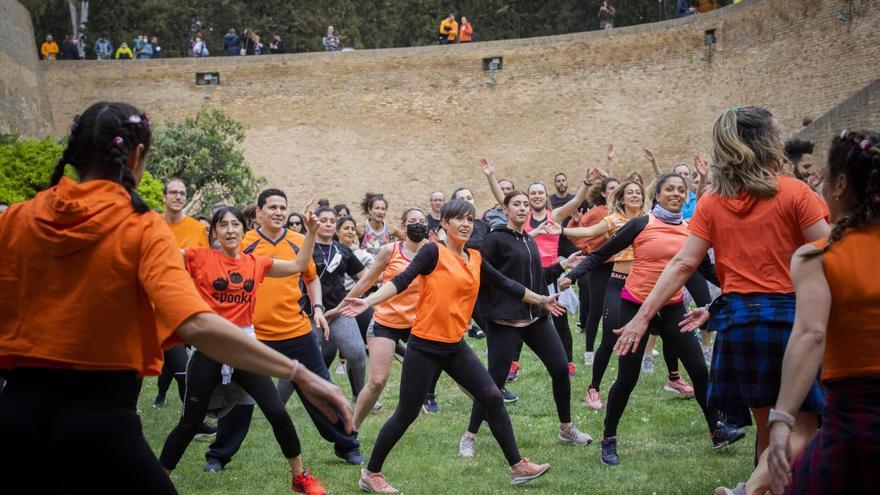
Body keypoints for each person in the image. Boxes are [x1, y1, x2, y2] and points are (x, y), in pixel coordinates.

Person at [0, 101, 351, 493]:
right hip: (103, 417)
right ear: (136, 156)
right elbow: (196, 323)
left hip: (17, 413)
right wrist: (301, 373)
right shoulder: (141, 229)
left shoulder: (15, 219)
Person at [611, 107, 830, 495]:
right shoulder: (796, 193)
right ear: (768, 143)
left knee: (769, 429)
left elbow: (682, 263)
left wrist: (642, 318)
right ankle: (747, 491)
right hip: (791, 321)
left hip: (739, 323)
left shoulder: (713, 201)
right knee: (804, 428)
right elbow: (832, 254)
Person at [342, 200, 556, 493]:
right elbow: (402, 280)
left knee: (492, 396)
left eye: (470, 219)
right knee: (407, 412)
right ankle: (371, 473)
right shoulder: (433, 252)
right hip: (425, 345)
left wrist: (542, 299)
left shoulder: (475, 258)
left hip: (455, 345)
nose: (466, 224)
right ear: (444, 223)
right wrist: (368, 300)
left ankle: (517, 466)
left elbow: (507, 284)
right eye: (459, 219)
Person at [559, 173, 746, 465]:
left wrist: (741, 281)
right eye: (669, 189)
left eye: (681, 190)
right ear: (657, 195)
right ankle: (609, 439)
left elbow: (709, 270)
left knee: (699, 370)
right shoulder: (641, 224)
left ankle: (716, 430)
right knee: (627, 377)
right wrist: (572, 275)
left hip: (672, 308)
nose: (675, 194)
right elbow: (600, 254)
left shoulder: (690, 229)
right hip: (635, 308)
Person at [159, 206, 330, 494]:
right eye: (222, 225)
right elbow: (161, 257)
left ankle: (300, 477)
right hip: (210, 348)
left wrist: (311, 233)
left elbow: (299, 266)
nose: (229, 230)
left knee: (277, 412)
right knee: (190, 423)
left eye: (235, 224)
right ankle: (158, 479)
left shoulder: (256, 262)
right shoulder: (199, 258)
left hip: (244, 350)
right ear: (214, 231)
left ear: (243, 228)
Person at [204, 188, 364, 472]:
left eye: (283, 207)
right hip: (253, 335)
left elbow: (311, 278)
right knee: (241, 397)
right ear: (259, 211)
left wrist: (316, 309)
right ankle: (218, 456)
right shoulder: (246, 242)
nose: (279, 212)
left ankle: (347, 445)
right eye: (273, 207)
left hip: (295, 331)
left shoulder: (299, 241)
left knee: (320, 389)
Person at [766, 130, 880, 495]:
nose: (821, 185)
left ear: (842, 183)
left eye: (825, 177)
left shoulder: (820, 255)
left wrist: (782, 417)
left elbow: (810, 335)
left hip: (857, 414)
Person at [459, 190, 593, 460]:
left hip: (535, 319)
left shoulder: (528, 241)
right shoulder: (495, 240)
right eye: (516, 204)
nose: (522, 208)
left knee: (559, 369)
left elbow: (536, 277)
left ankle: (566, 428)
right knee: (492, 384)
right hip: (504, 322)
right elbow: (490, 277)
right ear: (505, 209)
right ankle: (469, 436)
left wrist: (563, 264)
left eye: (525, 205)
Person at [333, 208, 438, 429]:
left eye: (421, 221)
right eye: (412, 221)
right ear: (403, 225)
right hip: (386, 321)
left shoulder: (432, 251)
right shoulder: (390, 250)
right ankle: (351, 427)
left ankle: (416, 408)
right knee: (378, 380)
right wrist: (341, 306)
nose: (418, 224)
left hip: (418, 324)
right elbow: (365, 282)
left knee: (427, 372)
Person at [152, 178, 212, 410]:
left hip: (186, 304)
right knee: (176, 365)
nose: (178, 197)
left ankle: (166, 398)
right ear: (164, 197)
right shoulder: (153, 224)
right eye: (174, 193)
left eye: (182, 193)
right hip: (156, 305)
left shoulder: (197, 228)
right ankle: (195, 421)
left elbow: (204, 267)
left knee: (177, 362)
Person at [309, 208, 368, 404]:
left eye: (331, 220)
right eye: (323, 220)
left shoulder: (343, 250)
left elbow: (364, 278)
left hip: (339, 310)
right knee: (305, 359)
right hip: (309, 314)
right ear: (316, 223)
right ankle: (279, 403)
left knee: (357, 352)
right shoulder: (304, 248)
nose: (327, 223)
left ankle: (359, 396)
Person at [568, 177, 618, 367]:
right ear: (604, 193)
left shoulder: (625, 212)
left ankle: (612, 347)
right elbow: (579, 234)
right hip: (600, 266)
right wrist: (590, 248)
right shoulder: (597, 212)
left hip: (621, 266)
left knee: (616, 310)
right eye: (611, 188)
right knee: (596, 309)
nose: (615, 190)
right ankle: (589, 351)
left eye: (617, 187)